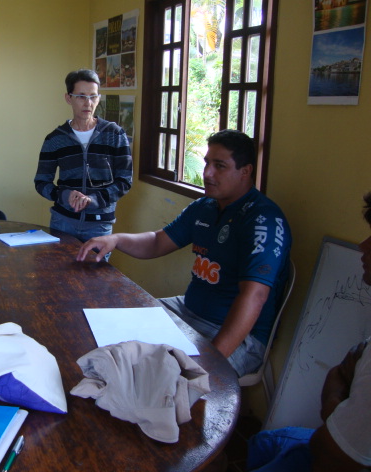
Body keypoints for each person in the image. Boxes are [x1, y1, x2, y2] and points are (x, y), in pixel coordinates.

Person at [77, 129, 292, 377]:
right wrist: (116, 239)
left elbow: (255, 296)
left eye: (219, 166)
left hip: (236, 336)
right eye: (207, 163)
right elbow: (157, 242)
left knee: (159, 375)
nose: (207, 173)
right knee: (111, 327)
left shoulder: (263, 220)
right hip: (187, 311)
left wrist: (211, 362)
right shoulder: (205, 207)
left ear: (245, 171)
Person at [246, 193, 371, 472]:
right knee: (262, 443)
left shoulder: (265, 218)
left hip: (335, 455)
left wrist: (332, 402)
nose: (363, 246)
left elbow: (330, 453)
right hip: (335, 440)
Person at [34, 69, 132, 247]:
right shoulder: (55, 139)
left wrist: (94, 200)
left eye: (93, 97)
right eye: (81, 96)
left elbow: (124, 181)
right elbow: (41, 182)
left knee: (95, 266)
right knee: (59, 265)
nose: (88, 103)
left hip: (99, 225)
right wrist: (65, 196)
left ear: (98, 98)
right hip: (62, 222)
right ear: (68, 98)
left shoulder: (115, 134)